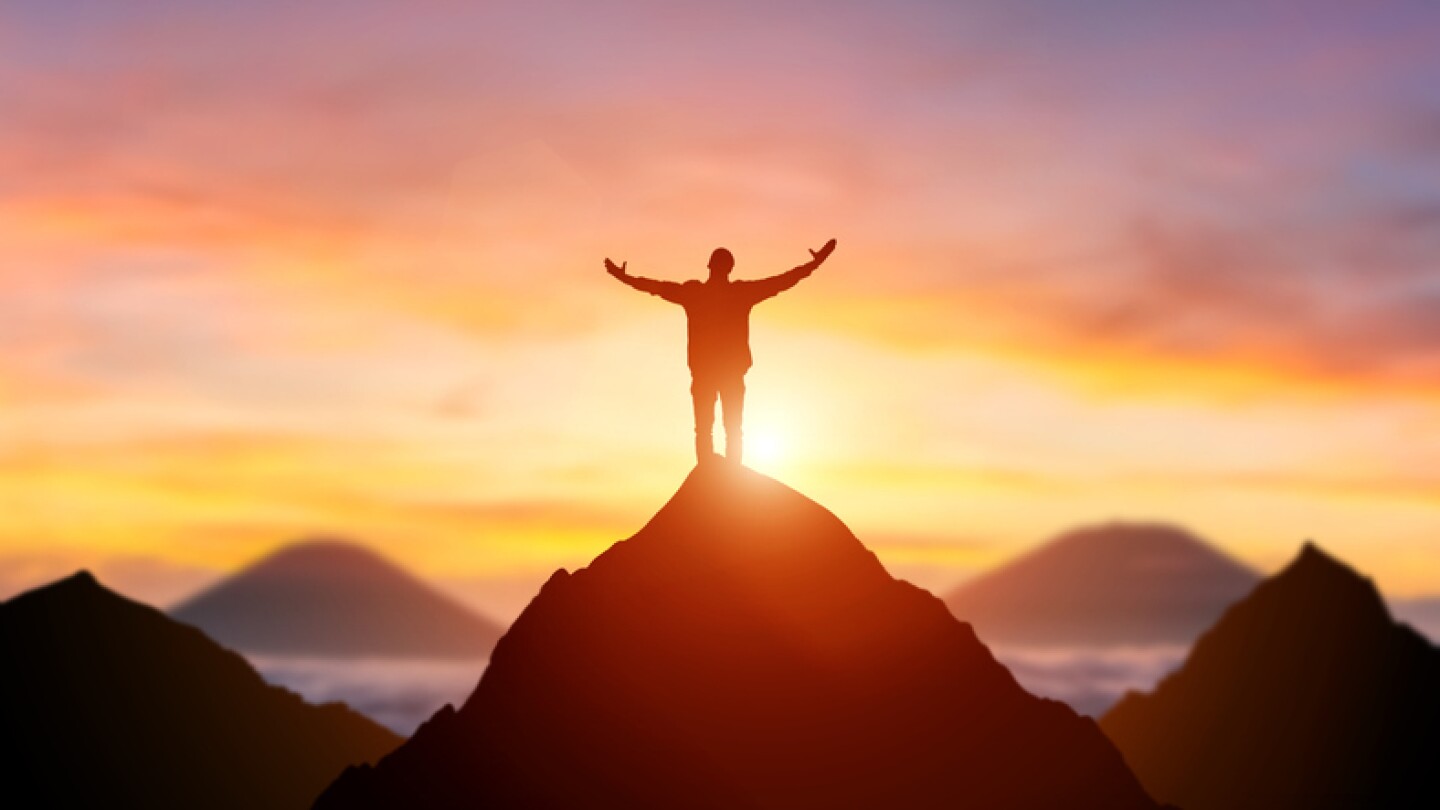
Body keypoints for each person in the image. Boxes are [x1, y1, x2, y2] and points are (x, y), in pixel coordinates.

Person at [605, 239, 836, 464]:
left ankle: (714, 478)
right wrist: (815, 264)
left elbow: (655, 287)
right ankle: (722, 480)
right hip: (724, 374)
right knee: (730, 429)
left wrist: (622, 277)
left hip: (713, 374)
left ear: (710, 267)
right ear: (729, 268)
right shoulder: (736, 293)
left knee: (708, 430)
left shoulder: (696, 293)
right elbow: (783, 281)